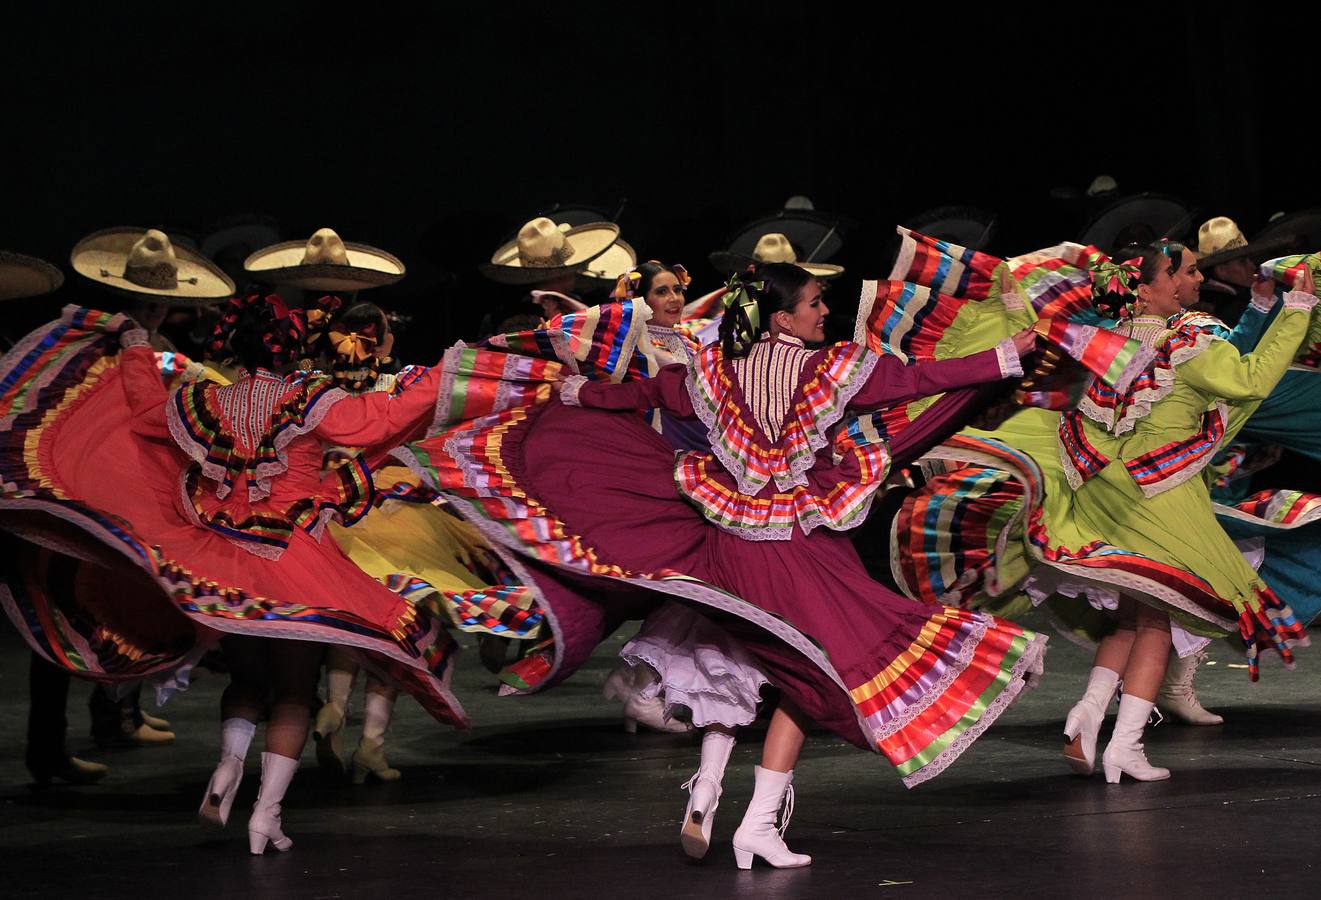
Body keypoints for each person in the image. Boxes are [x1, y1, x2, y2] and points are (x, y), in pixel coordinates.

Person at [410, 261, 1045, 868]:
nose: (827, 311)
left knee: (751, 660)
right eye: (815, 303)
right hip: (795, 543)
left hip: (731, 541)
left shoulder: (714, 372)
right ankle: (758, 823)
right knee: (813, 674)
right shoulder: (829, 370)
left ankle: (711, 792)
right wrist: (1005, 356)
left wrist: (583, 393)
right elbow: (916, 381)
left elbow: (649, 393)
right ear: (781, 319)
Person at [0, 259, 465, 852]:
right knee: (295, 690)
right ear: (294, 349)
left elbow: (144, 413)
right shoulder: (312, 400)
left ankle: (226, 771)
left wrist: (138, 350)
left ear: (235, 347)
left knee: (247, 679)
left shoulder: (204, 401)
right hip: (296, 558)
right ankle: (265, 816)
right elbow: (381, 418)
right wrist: (453, 369)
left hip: (226, 556)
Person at [891, 240, 1318, 782]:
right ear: (1148, 286)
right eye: (1185, 272)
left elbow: (1229, 374)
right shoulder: (1188, 342)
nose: (1195, 279)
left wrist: (1258, 310)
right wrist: (1296, 312)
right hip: (1159, 496)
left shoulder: (1102, 342)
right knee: (1161, 616)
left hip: (1107, 490)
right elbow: (1249, 380)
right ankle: (1126, 747)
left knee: (1133, 615)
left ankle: (1088, 716)